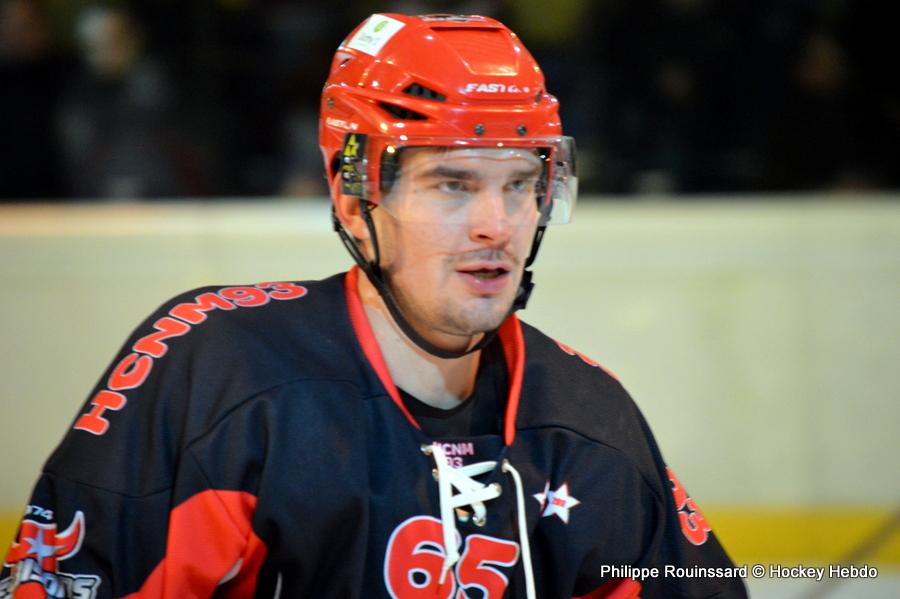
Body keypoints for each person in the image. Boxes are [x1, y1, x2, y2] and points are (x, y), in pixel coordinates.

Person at [1, 13, 747, 598]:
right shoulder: (220, 376)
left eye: (520, 184)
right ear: (356, 199)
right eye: (452, 184)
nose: (497, 224)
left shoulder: (589, 421)